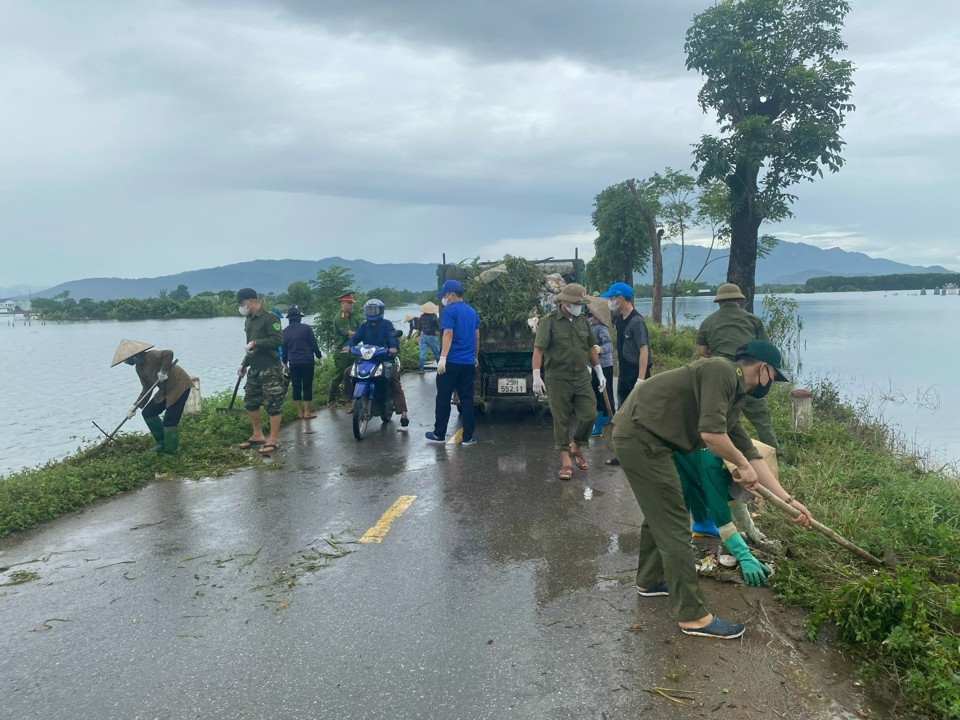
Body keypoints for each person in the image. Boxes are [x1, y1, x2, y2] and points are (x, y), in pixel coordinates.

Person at [611, 339, 813, 639]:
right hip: (641, 438)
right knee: (675, 525)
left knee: (662, 512)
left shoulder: (731, 396)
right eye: (774, 377)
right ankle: (693, 617)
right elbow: (712, 435)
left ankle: (650, 580)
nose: (771, 383)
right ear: (764, 369)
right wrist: (741, 465)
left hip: (656, 441)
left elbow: (752, 454)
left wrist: (789, 501)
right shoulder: (721, 371)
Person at [531, 283, 606, 480]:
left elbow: (591, 347)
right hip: (558, 378)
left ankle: (576, 447)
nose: (579, 306)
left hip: (581, 377)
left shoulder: (583, 321)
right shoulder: (549, 321)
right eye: (576, 303)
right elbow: (539, 349)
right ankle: (565, 461)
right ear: (565, 302)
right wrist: (537, 375)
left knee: (589, 414)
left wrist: (599, 371)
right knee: (561, 419)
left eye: (581, 303)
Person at [697, 283, 781, 455]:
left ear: (719, 302)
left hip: (720, 379)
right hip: (748, 377)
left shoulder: (708, 322)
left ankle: (718, 455)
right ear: (739, 301)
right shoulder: (753, 320)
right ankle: (776, 455)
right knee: (761, 419)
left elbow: (702, 353)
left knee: (719, 419)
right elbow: (765, 348)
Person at [599, 282, 652, 466]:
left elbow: (644, 350)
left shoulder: (637, 321)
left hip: (637, 375)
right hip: (624, 375)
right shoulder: (620, 319)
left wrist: (641, 379)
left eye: (612, 298)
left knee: (640, 418)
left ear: (621, 298)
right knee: (623, 417)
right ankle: (623, 455)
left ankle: (645, 455)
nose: (610, 301)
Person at [111, 339, 194, 456]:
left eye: (127, 359)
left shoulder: (151, 355)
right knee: (148, 413)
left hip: (178, 386)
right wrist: (135, 406)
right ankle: (162, 442)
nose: (127, 362)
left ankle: (171, 452)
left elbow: (168, 353)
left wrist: (163, 371)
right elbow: (146, 388)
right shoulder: (139, 368)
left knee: (169, 421)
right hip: (164, 390)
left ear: (134, 355)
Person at [426, 279, 480, 445]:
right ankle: (468, 437)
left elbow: (448, 333)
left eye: (444, 295)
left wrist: (442, 358)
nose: (443, 298)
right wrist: (475, 356)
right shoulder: (472, 312)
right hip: (468, 363)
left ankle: (439, 434)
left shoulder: (449, 311)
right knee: (467, 399)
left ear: (452, 294)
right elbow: (477, 337)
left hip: (451, 362)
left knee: (443, 397)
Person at [342, 299, 410, 427]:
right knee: (347, 372)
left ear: (381, 311)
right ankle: (353, 401)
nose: (372, 312)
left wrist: (393, 347)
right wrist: (348, 346)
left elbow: (392, 337)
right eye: (370, 309)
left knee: (394, 381)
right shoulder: (363, 326)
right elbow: (355, 338)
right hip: (367, 359)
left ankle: (403, 412)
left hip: (385, 359)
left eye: (375, 309)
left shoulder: (386, 324)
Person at [236, 288, 287, 454]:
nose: (241, 307)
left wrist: (257, 342)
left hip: (270, 368)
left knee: (273, 404)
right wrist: (244, 364)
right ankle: (257, 435)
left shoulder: (270, 317)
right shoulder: (249, 320)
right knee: (250, 402)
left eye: (242, 303)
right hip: (254, 368)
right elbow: (249, 346)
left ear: (250, 301)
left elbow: (278, 339)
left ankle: (273, 439)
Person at [282, 306, 322, 419]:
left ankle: (299, 413)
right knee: (307, 386)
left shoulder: (284, 332)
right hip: (307, 361)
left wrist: (284, 363)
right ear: (299, 317)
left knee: (296, 386)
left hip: (293, 362)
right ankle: (307, 412)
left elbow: (284, 350)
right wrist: (319, 356)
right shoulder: (307, 328)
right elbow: (314, 345)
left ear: (289, 318)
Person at [329, 293, 359, 405]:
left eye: (352, 303)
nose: (351, 305)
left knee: (354, 373)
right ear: (342, 303)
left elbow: (361, 327)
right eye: (349, 303)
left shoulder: (351, 316)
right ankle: (332, 399)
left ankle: (350, 397)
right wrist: (362, 334)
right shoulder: (340, 318)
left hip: (352, 350)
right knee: (340, 375)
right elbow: (350, 334)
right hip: (342, 351)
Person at [588, 308, 614, 436]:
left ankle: (602, 423)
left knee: (604, 393)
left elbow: (610, 345)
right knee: (596, 393)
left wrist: (601, 349)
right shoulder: (589, 324)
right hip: (593, 365)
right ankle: (603, 419)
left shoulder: (601, 327)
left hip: (604, 365)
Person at [417, 302, 441, 374]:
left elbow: (420, 327)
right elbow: (437, 327)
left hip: (423, 335)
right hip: (432, 336)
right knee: (437, 353)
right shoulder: (434, 317)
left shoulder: (422, 317)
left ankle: (421, 369)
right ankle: (440, 368)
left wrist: (418, 334)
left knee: (422, 354)